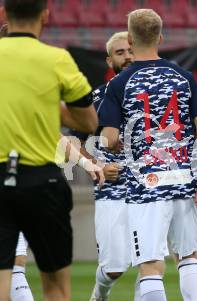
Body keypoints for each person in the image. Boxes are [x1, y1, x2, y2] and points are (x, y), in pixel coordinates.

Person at [99, 9, 197, 301]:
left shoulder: (119, 83)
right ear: (160, 37)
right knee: (188, 256)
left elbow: (109, 138)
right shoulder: (185, 76)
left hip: (145, 182)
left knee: (150, 265)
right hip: (184, 178)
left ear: (129, 38)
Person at [0, 0, 98, 300]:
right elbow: (89, 120)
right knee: (56, 287)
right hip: (42, 180)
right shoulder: (57, 59)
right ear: (45, 15)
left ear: (5, 14)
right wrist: (49, 108)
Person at [67, 31, 135, 301]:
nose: (127, 56)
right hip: (113, 191)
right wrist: (95, 165)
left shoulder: (157, 94)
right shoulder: (97, 99)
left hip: (153, 191)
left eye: (130, 50)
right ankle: (100, 293)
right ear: (109, 61)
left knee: (150, 264)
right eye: (120, 52)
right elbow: (70, 141)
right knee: (115, 267)